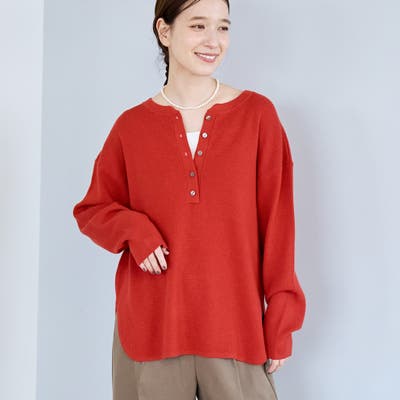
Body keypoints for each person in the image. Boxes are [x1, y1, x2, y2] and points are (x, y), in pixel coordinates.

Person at [72, 0, 306, 399]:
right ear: (165, 31)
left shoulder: (257, 116)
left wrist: (280, 319)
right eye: (199, 26)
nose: (214, 41)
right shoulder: (131, 127)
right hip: (151, 329)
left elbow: (278, 225)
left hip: (235, 326)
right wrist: (135, 230)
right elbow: (92, 208)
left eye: (223, 27)